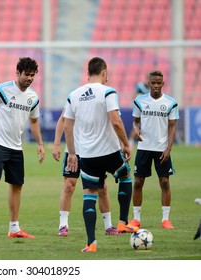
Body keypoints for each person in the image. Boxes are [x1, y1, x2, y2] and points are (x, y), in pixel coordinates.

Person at [63, 57, 137, 253]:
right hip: (109, 151)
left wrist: (72, 153)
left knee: (89, 194)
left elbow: (68, 128)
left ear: (88, 74)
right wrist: (126, 144)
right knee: (125, 175)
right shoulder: (108, 91)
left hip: (86, 155)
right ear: (104, 73)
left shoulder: (73, 95)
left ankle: (91, 243)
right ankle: (122, 222)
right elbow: (116, 121)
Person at [0, 57, 45, 239]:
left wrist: (41, 144)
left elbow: (34, 121)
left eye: (32, 75)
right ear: (18, 73)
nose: (29, 78)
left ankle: (14, 228)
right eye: (26, 75)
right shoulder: (2, 90)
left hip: (16, 147)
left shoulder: (33, 98)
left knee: (16, 185)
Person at [52, 108, 120, 237]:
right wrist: (56, 143)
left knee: (102, 188)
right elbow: (63, 119)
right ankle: (63, 225)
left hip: (93, 150)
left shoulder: (99, 100)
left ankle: (108, 226)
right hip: (73, 149)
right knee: (68, 186)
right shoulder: (74, 98)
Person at [129, 70, 179, 229]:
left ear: (163, 84)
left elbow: (172, 127)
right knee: (138, 182)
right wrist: (136, 130)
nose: (156, 85)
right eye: (153, 83)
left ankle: (165, 220)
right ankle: (136, 219)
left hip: (161, 148)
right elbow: (136, 122)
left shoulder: (171, 103)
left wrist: (168, 148)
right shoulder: (139, 101)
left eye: (159, 83)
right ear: (148, 83)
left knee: (164, 182)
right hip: (144, 148)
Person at [129, 75, 150, 148]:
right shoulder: (140, 86)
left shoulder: (151, 88)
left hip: (148, 110)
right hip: (140, 109)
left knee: (147, 126)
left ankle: (145, 143)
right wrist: (136, 106)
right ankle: (131, 142)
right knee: (136, 125)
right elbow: (134, 95)